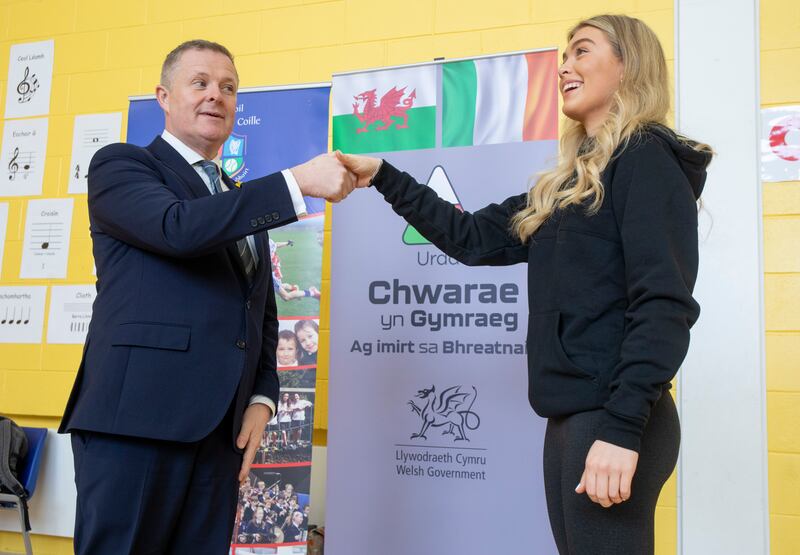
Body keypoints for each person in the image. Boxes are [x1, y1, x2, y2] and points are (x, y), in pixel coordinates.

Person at [338, 14, 712, 555]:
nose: (565, 66)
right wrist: (383, 174)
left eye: (582, 52)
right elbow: (469, 238)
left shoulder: (645, 158)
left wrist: (622, 428)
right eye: (565, 55)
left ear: (628, 68)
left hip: (614, 418)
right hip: (570, 417)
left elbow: (664, 304)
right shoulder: (568, 184)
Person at [58, 39, 356, 554]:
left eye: (228, 88)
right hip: (136, 424)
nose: (215, 95)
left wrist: (263, 397)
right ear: (164, 97)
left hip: (220, 435)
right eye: (199, 83)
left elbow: (259, 312)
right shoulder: (122, 166)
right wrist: (297, 182)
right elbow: (177, 229)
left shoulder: (235, 195)